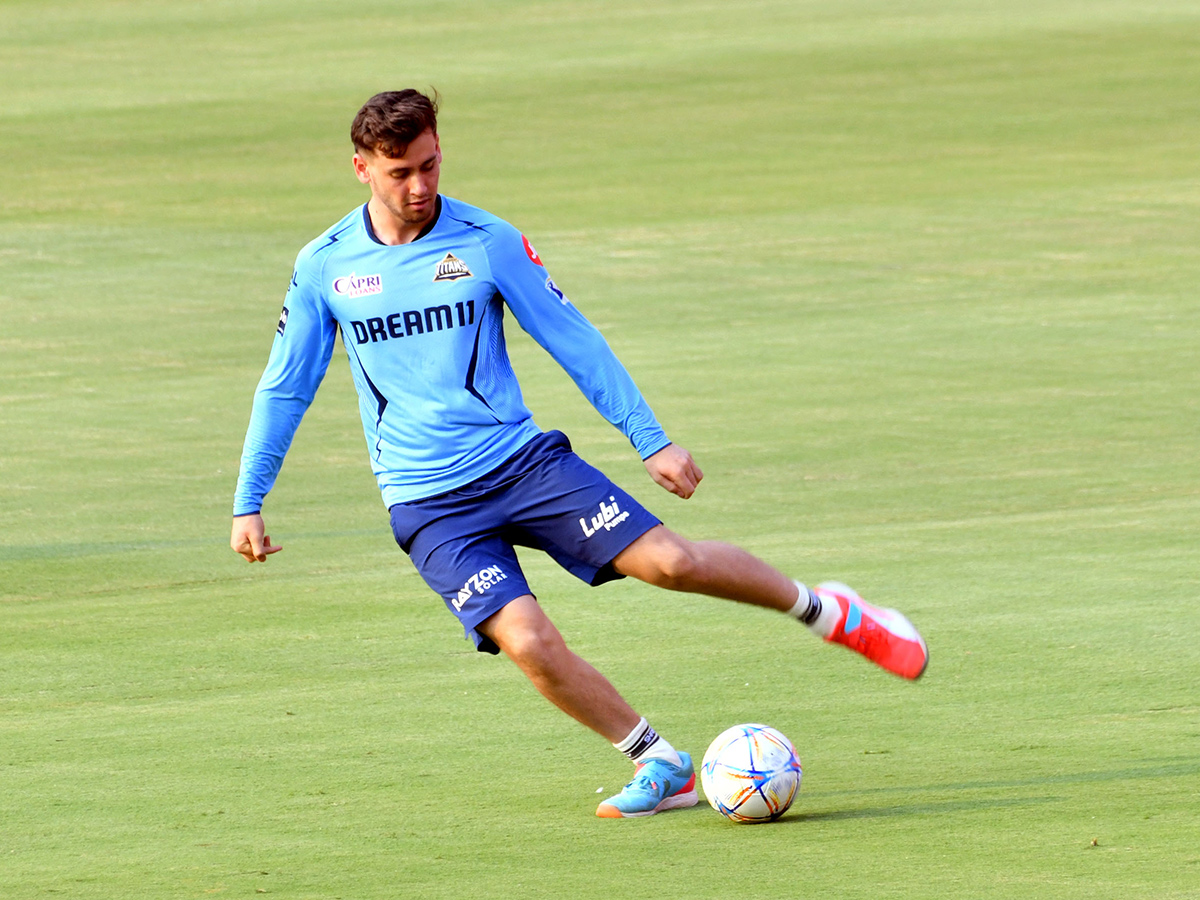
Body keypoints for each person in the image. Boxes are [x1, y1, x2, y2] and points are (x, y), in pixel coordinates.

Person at [231, 89, 927, 819]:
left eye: (431, 165)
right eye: (401, 171)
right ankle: (660, 763)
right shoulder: (325, 266)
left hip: (522, 465)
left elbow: (572, 338)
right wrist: (250, 499)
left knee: (673, 564)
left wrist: (648, 437)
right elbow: (285, 387)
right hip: (428, 502)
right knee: (529, 641)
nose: (420, 186)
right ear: (361, 169)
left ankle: (829, 612)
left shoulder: (487, 239)